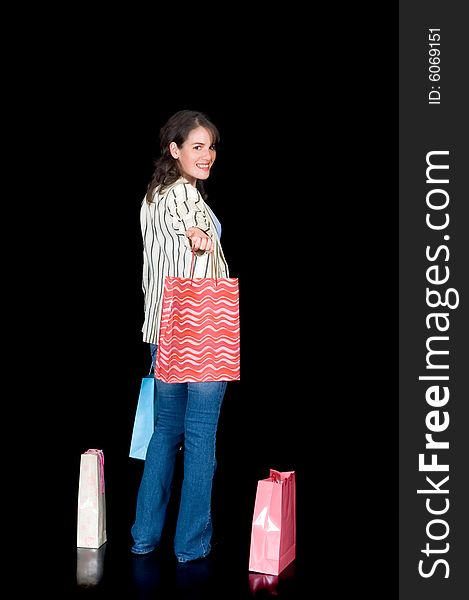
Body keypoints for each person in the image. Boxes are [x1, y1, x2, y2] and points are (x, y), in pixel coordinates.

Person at [131, 109, 231, 563]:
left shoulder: (152, 197)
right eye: (196, 146)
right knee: (200, 436)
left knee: (164, 433)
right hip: (202, 331)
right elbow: (187, 225)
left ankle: (143, 537)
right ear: (174, 149)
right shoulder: (185, 196)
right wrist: (197, 234)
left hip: (164, 331)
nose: (206, 155)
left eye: (210, 146)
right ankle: (191, 545)